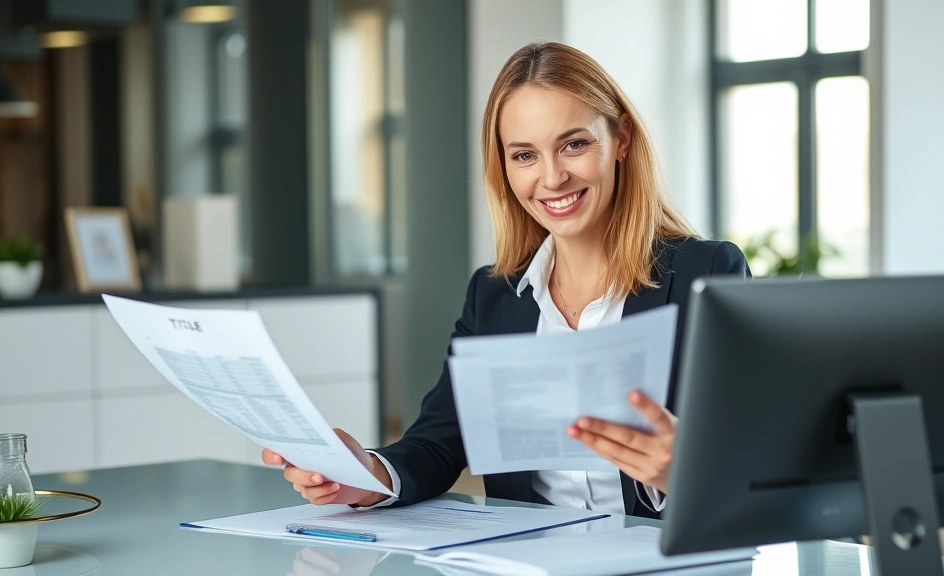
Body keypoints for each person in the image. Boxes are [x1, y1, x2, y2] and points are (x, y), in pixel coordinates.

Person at [263, 41, 750, 519]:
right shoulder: (494, 295)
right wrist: (366, 474)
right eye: (524, 155)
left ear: (621, 138)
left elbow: (757, 461)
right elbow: (438, 443)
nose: (553, 177)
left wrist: (688, 469)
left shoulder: (704, 274)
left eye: (574, 144)